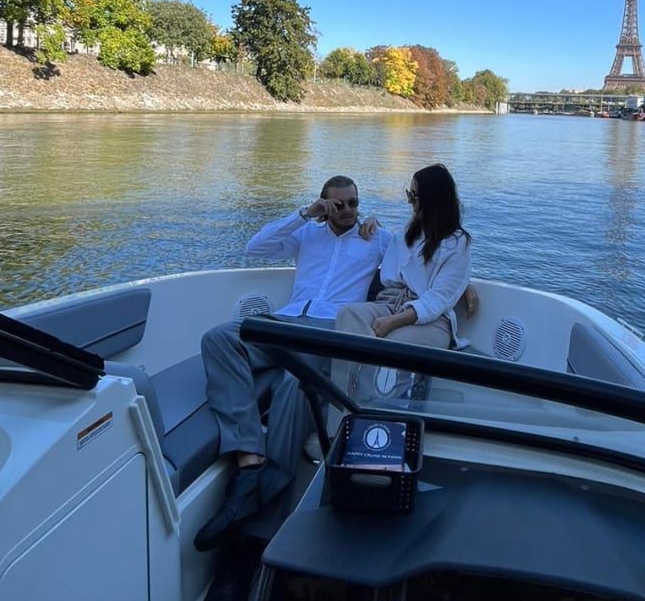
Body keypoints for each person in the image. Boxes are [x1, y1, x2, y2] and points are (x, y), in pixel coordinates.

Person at [195, 176, 391, 559]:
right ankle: (250, 459)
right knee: (218, 339)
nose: (348, 211)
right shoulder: (307, 233)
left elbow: (417, 259)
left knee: (292, 386)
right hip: (285, 321)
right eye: (339, 204)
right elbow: (255, 247)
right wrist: (304, 214)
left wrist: (462, 285)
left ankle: (259, 528)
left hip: (327, 330)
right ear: (324, 204)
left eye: (353, 203)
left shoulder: (376, 238)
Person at [334, 164, 471, 397]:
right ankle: (340, 405)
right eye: (409, 194)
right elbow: (397, 253)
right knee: (348, 315)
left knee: (390, 344)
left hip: (430, 320)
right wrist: (372, 221)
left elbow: (438, 299)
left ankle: (366, 405)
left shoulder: (457, 243)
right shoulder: (410, 231)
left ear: (433, 198)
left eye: (413, 196)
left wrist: (393, 321)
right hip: (389, 304)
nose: (410, 201)